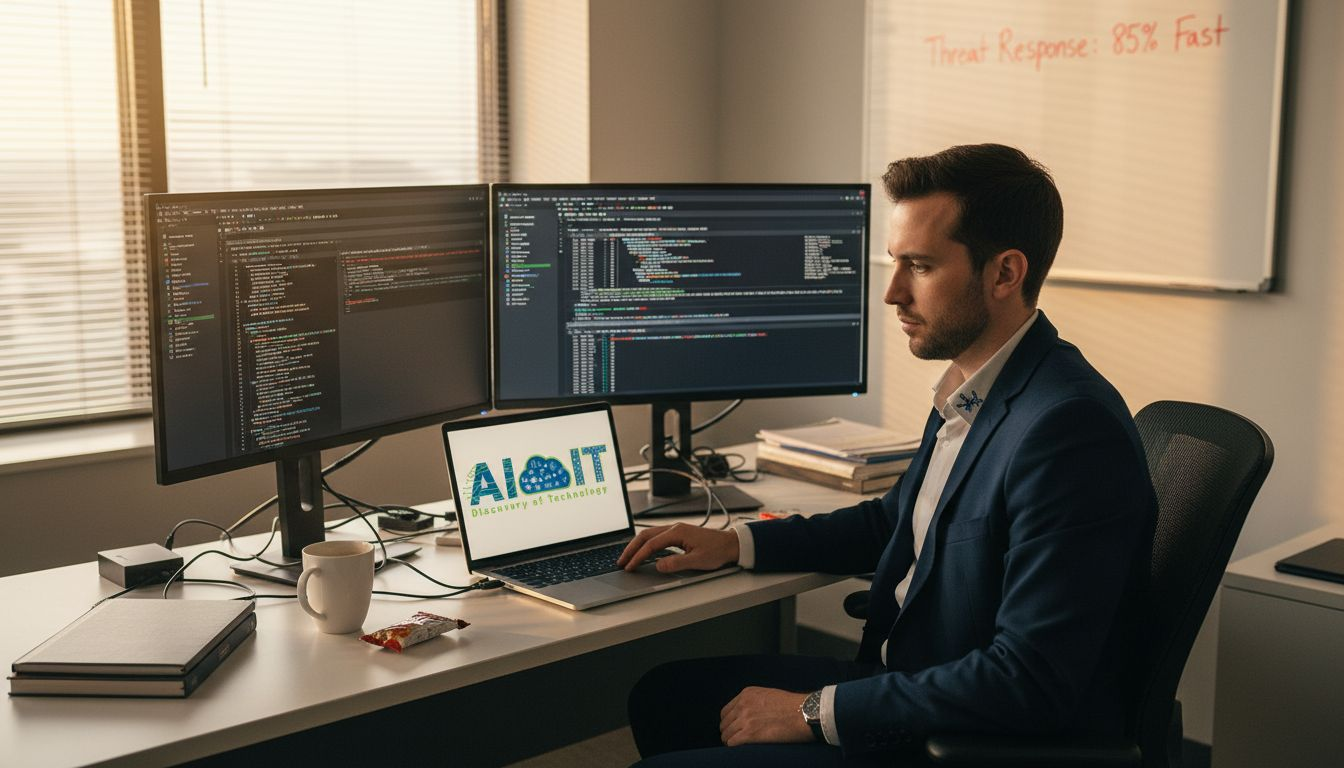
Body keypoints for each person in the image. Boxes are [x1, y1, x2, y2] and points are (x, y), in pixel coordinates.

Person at [617, 143, 1157, 767]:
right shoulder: (975, 385)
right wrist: (739, 543)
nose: (893, 293)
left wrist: (812, 712)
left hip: (953, 733)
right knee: (664, 695)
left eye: (920, 267)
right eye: (895, 263)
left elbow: (1029, 680)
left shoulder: (1068, 429)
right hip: (903, 682)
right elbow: (893, 522)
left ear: (1005, 273)